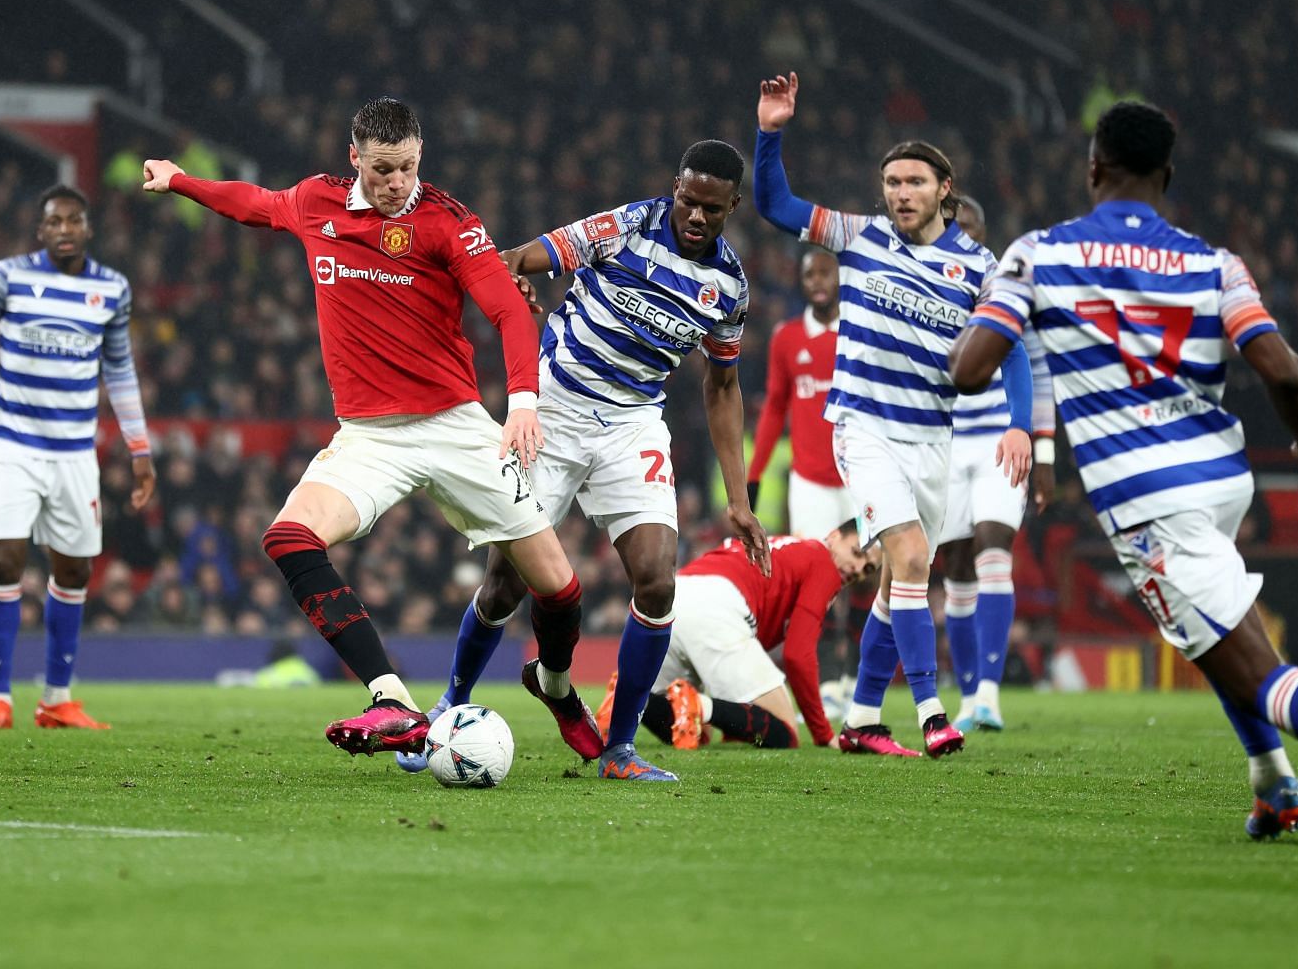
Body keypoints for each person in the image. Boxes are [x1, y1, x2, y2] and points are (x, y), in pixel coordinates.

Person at [951, 100, 1298, 839]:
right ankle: (1274, 784)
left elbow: (969, 369)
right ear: (1168, 176)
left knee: (1263, 675)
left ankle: (1294, 770)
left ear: (1093, 169)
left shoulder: (1038, 254)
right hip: (1221, 478)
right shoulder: (1215, 264)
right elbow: (1285, 373)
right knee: (1213, 635)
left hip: (1149, 495)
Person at [141, 97, 598, 760]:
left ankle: (557, 689)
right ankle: (393, 698)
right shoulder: (316, 204)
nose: (396, 184)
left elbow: (509, 312)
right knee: (290, 538)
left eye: (408, 168)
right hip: (370, 437)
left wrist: (522, 400)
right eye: (383, 170)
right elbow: (255, 203)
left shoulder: (447, 222)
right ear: (354, 158)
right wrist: (182, 180)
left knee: (558, 588)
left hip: (456, 428)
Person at [396, 140, 771, 783]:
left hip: (633, 425)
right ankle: (449, 707)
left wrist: (738, 500)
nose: (697, 216)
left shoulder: (728, 286)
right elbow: (521, 258)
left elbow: (723, 385)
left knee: (657, 581)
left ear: (733, 206)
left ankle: (619, 749)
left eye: (713, 208)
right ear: (674, 188)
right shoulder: (624, 225)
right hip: (555, 408)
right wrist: (518, 284)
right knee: (507, 582)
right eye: (688, 199)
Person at [751, 72, 1033, 758]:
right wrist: (770, 132)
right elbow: (775, 203)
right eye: (893, 182)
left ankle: (864, 719)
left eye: (914, 182)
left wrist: (1021, 422)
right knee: (908, 556)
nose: (901, 194)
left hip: (932, 436)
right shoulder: (859, 236)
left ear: (944, 188)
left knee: (900, 580)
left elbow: (1013, 347)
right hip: (864, 428)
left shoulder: (978, 266)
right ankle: (934, 711)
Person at [0, 184, 157, 732]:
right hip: (13, 444)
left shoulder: (112, 288)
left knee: (75, 569)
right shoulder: (10, 275)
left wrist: (140, 449)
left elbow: (121, 371)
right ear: (40, 230)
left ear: (88, 228)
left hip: (76, 453)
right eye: (54, 221)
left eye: (73, 221)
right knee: (6, 560)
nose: (64, 229)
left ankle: (57, 698)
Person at [936, 195, 1056, 733]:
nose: (959, 234)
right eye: (951, 225)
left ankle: (989, 694)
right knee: (956, 571)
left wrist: (1042, 448)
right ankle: (966, 695)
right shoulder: (925, 283)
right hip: (943, 443)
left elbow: (1040, 371)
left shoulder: (1006, 292)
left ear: (982, 235)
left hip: (998, 442)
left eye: (969, 227)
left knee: (993, 548)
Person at [625, 525, 875, 751]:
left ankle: (634, 696)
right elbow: (798, 655)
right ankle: (697, 704)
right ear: (833, 536)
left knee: (697, 732)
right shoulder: (823, 563)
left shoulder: (794, 547)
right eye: (856, 552)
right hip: (717, 606)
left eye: (869, 568)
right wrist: (823, 733)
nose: (858, 569)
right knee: (784, 733)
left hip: (678, 594)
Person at [749, 248, 852, 537]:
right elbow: (774, 407)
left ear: (841, 278)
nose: (817, 281)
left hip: (861, 476)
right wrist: (755, 474)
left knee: (869, 570)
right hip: (810, 483)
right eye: (809, 275)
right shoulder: (786, 337)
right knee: (816, 573)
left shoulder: (859, 334)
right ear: (800, 282)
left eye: (825, 273)